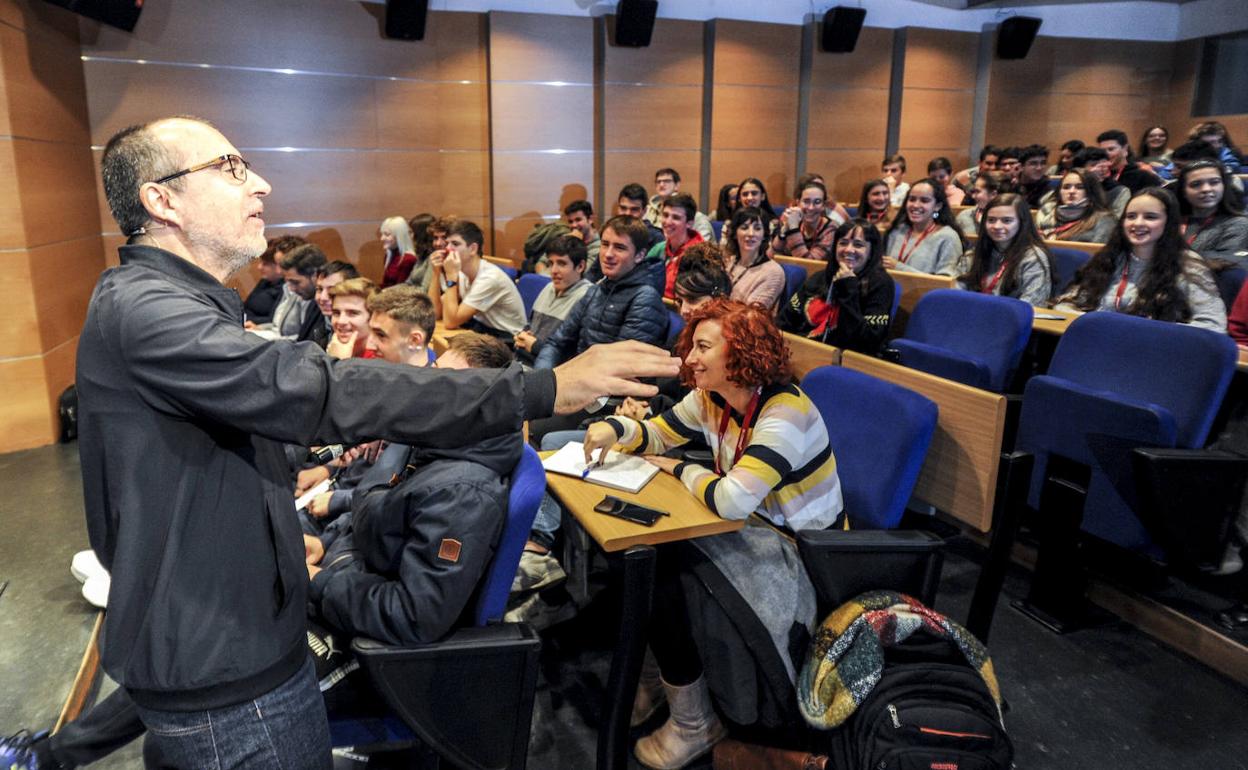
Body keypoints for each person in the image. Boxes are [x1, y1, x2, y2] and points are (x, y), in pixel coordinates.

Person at [48, 115, 679, 770]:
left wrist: (293, 550)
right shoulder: (150, 310)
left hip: (232, 633)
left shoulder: (172, 302)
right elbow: (309, 391)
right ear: (161, 199)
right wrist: (537, 392)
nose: (259, 183)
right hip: (230, 668)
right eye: (231, 167)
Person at [580, 299, 843, 769]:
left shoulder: (785, 414)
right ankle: (659, 678)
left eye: (703, 346)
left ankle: (694, 721)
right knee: (640, 554)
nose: (690, 358)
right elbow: (658, 433)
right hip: (744, 531)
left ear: (739, 352)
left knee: (660, 572)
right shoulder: (713, 397)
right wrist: (614, 427)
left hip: (798, 557)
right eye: (692, 345)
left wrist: (680, 468)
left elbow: (731, 501)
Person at [1055, 187, 1226, 332]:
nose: (1137, 223)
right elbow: (1068, 303)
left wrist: (1153, 336)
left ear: (1169, 223)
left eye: (1150, 217)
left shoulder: (1188, 265)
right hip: (1100, 342)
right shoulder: (1110, 256)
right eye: (1131, 216)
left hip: (1152, 352)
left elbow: (1213, 325)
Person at [780, 217, 894, 353]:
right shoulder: (819, 278)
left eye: (858, 245)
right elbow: (784, 321)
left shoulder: (881, 284)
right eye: (843, 243)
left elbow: (867, 342)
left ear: (871, 252)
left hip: (846, 363)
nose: (849, 250)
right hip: (802, 351)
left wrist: (848, 289)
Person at [431, 219, 526, 339]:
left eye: (455, 244)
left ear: (473, 249)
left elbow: (451, 322)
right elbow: (435, 314)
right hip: (483, 331)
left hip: (508, 340)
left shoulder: (489, 278)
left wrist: (451, 277)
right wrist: (436, 273)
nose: (447, 249)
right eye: (447, 243)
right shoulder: (462, 273)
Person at [958, 193, 1054, 306]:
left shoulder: (1034, 258)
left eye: (1007, 221)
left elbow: (1031, 304)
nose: (997, 226)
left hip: (1011, 319)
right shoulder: (974, 254)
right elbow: (956, 291)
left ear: (1022, 223)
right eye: (991, 220)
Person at [514, 234, 592, 364]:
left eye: (561, 263)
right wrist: (521, 336)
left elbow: (574, 357)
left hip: (549, 371)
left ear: (580, 266)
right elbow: (530, 325)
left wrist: (534, 346)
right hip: (523, 361)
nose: (553, 270)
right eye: (551, 263)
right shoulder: (548, 287)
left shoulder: (587, 297)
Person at [883, 178, 966, 275]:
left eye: (924, 200)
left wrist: (899, 267)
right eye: (912, 199)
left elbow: (944, 283)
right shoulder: (897, 231)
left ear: (937, 206)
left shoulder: (948, 237)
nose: (916, 205)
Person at [1175, 159, 1248, 267]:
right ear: (1184, 192)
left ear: (1224, 186)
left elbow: (1225, 262)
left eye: (1214, 182)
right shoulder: (1172, 220)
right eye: (1196, 184)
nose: (1206, 189)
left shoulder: (1239, 223)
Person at [722, 206, 787, 310]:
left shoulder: (773, 272)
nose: (751, 234)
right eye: (744, 227)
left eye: (757, 228)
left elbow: (749, 315)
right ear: (734, 233)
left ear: (765, 235)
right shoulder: (729, 262)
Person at [648, 192, 706, 299]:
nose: (668, 222)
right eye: (665, 215)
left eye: (676, 217)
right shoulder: (659, 248)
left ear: (689, 223)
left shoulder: (701, 255)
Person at [1034, 169, 1117, 244]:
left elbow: (1098, 253)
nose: (1071, 191)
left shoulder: (1104, 220)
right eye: (1066, 187)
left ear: (1091, 192)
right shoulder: (1045, 214)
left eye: (1079, 187)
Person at [243, 234, 306, 323]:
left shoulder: (290, 288)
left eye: (265, 263)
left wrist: (246, 321)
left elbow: (277, 322)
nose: (259, 267)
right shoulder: (265, 282)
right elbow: (245, 306)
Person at [771, 179, 836, 261]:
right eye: (806, 201)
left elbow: (808, 265)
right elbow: (770, 257)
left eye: (817, 202)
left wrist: (793, 230)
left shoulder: (831, 229)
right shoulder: (795, 221)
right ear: (798, 203)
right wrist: (783, 232)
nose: (811, 207)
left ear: (823, 205)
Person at [643, 168, 715, 241]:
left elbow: (702, 247)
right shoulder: (646, 211)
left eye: (667, 181)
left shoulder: (697, 218)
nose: (661, 184)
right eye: (658, 182)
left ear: (677, 185)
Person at [325, 277, 378, 359]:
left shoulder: (378, 362)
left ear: (373, 318)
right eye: (336, 313)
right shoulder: (331, 350)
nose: (341, 321)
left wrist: (339, 363)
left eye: (352, 313)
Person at [1098, 129, 1162, 194]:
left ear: (1125, 149)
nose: (1106, 154)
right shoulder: (1099, 176)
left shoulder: (1143, 176)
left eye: (1111, 149)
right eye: (1102, 150)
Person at [956, 170, 1008, 239]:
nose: (973, 196)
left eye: (977, 191)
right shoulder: (964, 217)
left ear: (993, 194)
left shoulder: (1013, 221)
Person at [563, 199, 601, 276]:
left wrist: (574, 243)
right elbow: (541, 262)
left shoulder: (600, 245)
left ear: (590, 219)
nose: (574, 225)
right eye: (570, 221)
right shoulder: (566, 237)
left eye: (578, 220)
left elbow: (582, 273)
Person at [378, 215, 417, 287]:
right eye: (382, 234)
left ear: (399, 236)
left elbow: (400, 289)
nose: (382, 238)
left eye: (387, 234)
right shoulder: (389, 255)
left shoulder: (408, 259)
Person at [405, 213, 437, 293]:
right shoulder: (422, 254)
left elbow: (425, 290)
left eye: (411, 232)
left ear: (420, 234)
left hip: (421, 302)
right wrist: (387, 292)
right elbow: (408, 283)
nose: (410, 236)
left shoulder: (433, 257)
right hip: (412, 297)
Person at [1017, 144, 1052, 209]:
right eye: (1033, 163)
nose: (1039, 168)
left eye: (1043, 163)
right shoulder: (1012, 185)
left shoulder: (1048, 188)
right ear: (1021, 167)